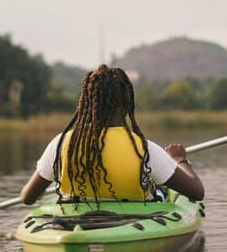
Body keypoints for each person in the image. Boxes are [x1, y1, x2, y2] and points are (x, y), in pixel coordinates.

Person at [20, 64, 204, 205]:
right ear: (127, 102)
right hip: (134, 223)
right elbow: (197, 192)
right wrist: (179, 160)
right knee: (162, 189)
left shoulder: (60, 144)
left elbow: (27, 198)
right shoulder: (144, 150)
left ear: (87, 102)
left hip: (74, 221)